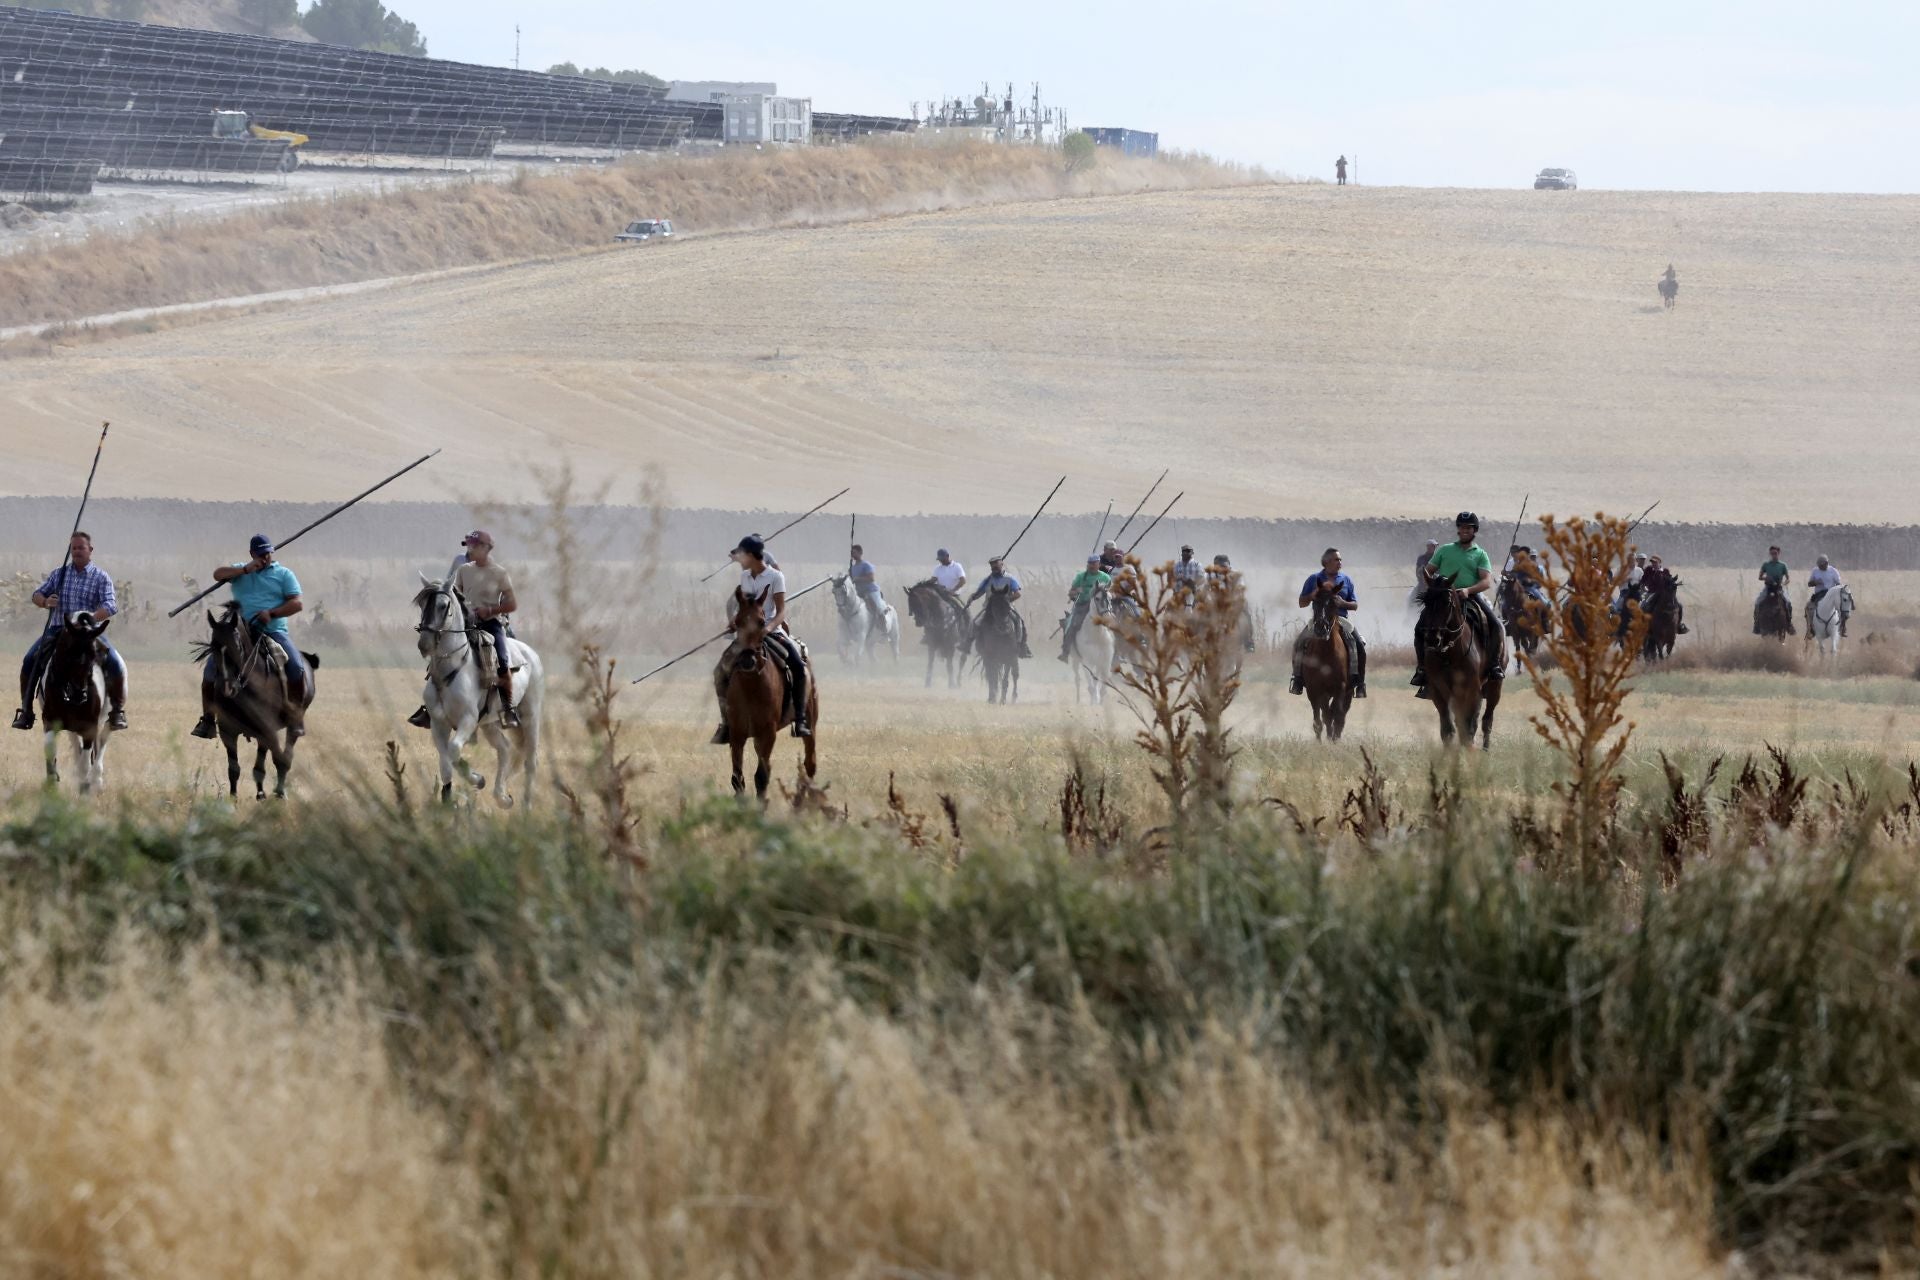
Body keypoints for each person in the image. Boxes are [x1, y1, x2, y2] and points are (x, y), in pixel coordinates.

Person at [192, 535, 308, 741]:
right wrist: (245, 570)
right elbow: (217, 574)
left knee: (296, 667)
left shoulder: (284, 574)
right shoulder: (241, 570)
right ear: (252, 554)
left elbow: (297, 604)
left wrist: (272, 613)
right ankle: (208, 720)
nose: (265, 557)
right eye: (261, 553)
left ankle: (296, 717)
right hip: (240, 632)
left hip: (273, 630)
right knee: (211, 669)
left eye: (268, 553)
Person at [13, 531, 127, 732]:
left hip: (88, 633)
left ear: (90, 550)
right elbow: (36, 594)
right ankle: (26, 711)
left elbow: (111, 606)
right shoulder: (59, 574)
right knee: (30, 659)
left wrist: (92, 618)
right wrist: (46, 601)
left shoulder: (100, 577)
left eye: (81, 547)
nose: (76, 551)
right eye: (73, 548)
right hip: (59, 630)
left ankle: (117, 711)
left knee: (116, 662)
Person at [713, 535, 810, 743]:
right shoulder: (746, 577)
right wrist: (735, 622)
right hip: (748, 634)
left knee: (798, 667)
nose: (739, 558)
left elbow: (781, 612)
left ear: (751, 555)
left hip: (772, 631)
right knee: (719, 670)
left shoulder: (776, 577)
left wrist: (768, 628)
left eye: (742, 554)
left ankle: (800, 719)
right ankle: (727, 722)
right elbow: (745, 607)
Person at [1414, 512, 1502, 692]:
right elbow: (1429, 571)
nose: (1464, 530)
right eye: (1462, 527)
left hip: (1470, 596)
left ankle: (1493, 665)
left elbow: (1486, 581)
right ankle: (1423, 669)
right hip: (1444, 596)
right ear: (1458, 529)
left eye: (1468, 527)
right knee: (1420, 627)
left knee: (1495, 625)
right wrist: (1434, 585)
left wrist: (1468, 590)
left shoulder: (1480, 554)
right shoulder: (1445, 550)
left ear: (1474, 530)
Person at [1291, 546, 1367, 698]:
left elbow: (1355, 605)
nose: (1340, 562)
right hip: (1318, 619)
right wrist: (1312, 595)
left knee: (1359, 644)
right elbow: (1301, 603)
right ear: (1326, 562)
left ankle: (1359, 683)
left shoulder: (1346, 580)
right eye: (1336, 559)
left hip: (1341, 619)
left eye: (1340, 559)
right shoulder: (1313, 579)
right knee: (1299, 643)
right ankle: (1298, 679)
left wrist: (1342, 603)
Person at [966, 555, 1031, 658]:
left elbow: (1017, 594)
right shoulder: (987, 580)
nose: (994, 568)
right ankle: (968, 644)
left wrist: (1004, 601)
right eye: (992, 566)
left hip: (1007, 608)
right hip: (988, 608)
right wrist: (972, 597)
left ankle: (1021, 646)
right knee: (975, 622)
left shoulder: (1010, 579)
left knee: (1019, 622)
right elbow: (979, 593)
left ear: (1002, 564)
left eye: (996, 565)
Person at [1058, 554, 1112, 662]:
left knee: (1113, 624)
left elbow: (1109, 592)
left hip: (1099, 606)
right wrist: (1076, 592)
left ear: (1099, 564)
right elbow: (1071, 592)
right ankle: (1066, 651)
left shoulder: (1105, 578)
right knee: (1071, 625)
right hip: (1081, 605)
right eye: (1090, 564)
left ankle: (1114, 652)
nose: (1091, 566)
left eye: (1094, 564)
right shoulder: (1081, 577)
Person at [1638, 554, 1686, 632]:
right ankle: (1642, 624)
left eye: (1655, 562)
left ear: (1660, 563)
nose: (1653, 564)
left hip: (1664, 594)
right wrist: (1643, 588)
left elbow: (1670, 581)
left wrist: (1676, 583)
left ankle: (1678, 625)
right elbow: (1643, 581)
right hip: (1651, 593)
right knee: (1643, 605)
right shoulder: (1648, 570)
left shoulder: (1665, 571)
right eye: (1652, 562)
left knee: (1679, 606)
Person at [1805, 554, 1848, 637]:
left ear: (1826, 563)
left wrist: (1836, 589)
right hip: (1819, 594)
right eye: (1819, 566)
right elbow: (1809, 583)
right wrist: (1815, 582)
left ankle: (1842, 628)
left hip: (1831, 594)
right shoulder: (1815, 570)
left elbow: (1839, 584)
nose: (1821, 567)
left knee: (1843, 608)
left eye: (1822, 565)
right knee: (1809, 608)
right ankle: (1810, 629)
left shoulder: (1833, 571)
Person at [1755, 545, 1792, 634]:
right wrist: (1765, 578)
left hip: (1779, 588)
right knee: (1757, 603)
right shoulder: (1766, 565)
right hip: (1768, 588)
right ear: (1770, 554)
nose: (1773, 555)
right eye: (1772, 553)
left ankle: (1789, 624)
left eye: (1775, 553)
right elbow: (1760, 577)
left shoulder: (1783, 565)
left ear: (1778, 553)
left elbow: (1788, 578)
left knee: (1788, 603)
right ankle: (1756, 625)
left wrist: (1784, 583)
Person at [848, 544, 884, 629]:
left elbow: (871, 578)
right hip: (859, 592)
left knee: (879, 608)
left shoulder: (866, 565)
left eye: (855, 552)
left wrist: (857, 579)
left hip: (871, 591)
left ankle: (883, 630)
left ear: (860, 553)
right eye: (852, 553)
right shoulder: (852, 568)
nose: (853, 555)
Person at [1409, 539, 1440, 606]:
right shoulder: (1421, 558)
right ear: (1427, 547)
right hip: (1422, 584)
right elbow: (1417, 572)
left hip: (1435, 584)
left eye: (1433, 546)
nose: (1432, 548)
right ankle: (1409, 613)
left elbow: (1440, 572)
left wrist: (1435, 577)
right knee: (1411, 597)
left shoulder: (1438, 558)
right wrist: (1422, 578)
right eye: (1430, 546)